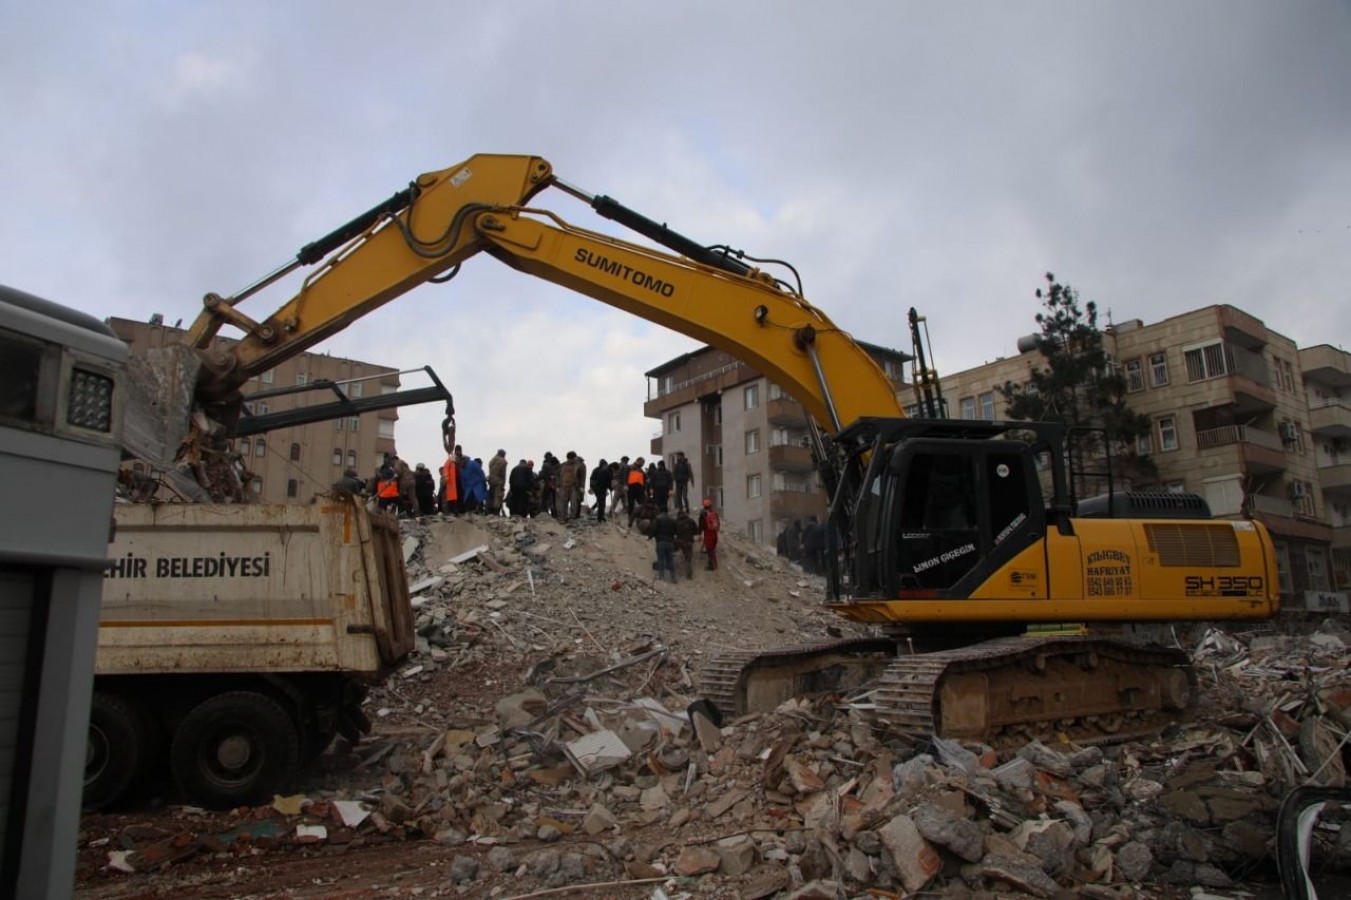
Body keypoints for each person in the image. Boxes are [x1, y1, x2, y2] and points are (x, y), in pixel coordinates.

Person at [650, 509, 677, 583]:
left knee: (661, 559)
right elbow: (676, 530)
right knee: (670, 560)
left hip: (660, 542)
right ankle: (673, 577)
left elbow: (654, 529)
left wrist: (650, 536)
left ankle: (661, 577)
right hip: (670, 542)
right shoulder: (672, 520)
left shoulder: (658, 519)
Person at [674, 508, 698, 579]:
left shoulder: (676, 522)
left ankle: (677, 572)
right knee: (688, 558)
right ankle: (689, 574)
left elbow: (674, 532)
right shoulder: (690, 521)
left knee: (681, 554)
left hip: (680, 541)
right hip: (689, 541)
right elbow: (696, 531)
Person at [698, 498, 720, 571]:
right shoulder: (715, 514)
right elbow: (718, 524)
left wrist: (699, 532)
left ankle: (713, 566)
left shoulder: (703, 514)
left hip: (708, 534)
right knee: (712, 549)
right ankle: (712, 565)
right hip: (715, 534)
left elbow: (701, 525)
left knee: (710, 550)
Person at [558, 451, 581, 521]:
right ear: (570, 458)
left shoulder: (577, 465)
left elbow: (580, 477)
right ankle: (563, 517)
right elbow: (558, 475)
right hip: (564, 486)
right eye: (574, 458)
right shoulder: (562, 465)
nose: (575, 459)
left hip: (573, 486)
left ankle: (572, 517)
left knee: (573, 503)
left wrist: (580, 485)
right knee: (563, 503)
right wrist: (558, 485)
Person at [589, 458, 611, 522]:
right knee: (601, 502)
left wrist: (606, 490)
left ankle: (600, 516)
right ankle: (600, 517)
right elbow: (592, 479)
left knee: (601, 502)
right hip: (597, 488)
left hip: (601, 488)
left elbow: (605, 481)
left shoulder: (603, 470)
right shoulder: (597, 470)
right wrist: (591, 488)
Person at [539, 452, 559, 518]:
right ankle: (555, 514)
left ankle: (544, 513)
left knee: (544, 498)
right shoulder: (556, 463)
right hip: (556, 484)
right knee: (554, 499)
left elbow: (542, 474)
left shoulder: (545, 464)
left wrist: (538, 478)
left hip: (548, 483)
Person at [626, 456, 646, 522]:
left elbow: (645, 479)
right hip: (631, 487)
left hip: (640, 489)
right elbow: (625, 477)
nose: (643, 464)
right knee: (631, 504)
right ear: (638, 461)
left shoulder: (641, 470)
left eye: (643, 463)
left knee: (642, 503)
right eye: (642, 462)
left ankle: (641, 517)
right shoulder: (630, 467)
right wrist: (625, 485)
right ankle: (630, 518)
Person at [488, 449, 508, 515]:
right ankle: (496, 512)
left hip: (491, 480)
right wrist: (503, 484)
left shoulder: (492, 460)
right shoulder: (503, 461)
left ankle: (489, 511)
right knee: (498, 497)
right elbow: (503, 474)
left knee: (491, 496)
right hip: (499, 481)